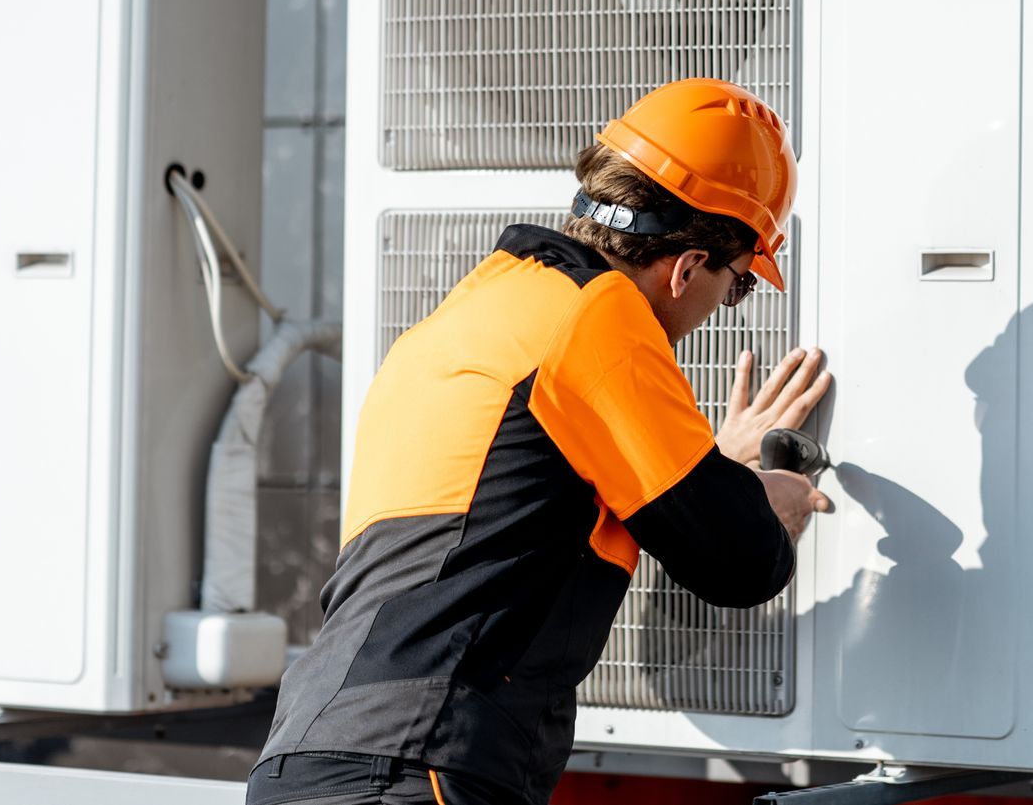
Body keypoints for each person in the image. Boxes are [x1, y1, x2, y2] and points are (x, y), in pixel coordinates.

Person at [248, 78, 834, 805]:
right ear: (687, 267)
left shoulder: (469, 315)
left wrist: (718, 471)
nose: (724, 306)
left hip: (304, 758)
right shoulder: (600, 313)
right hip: (417, 765)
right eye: (738, 284)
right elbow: (740, 560)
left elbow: (515, 510)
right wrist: (763, 493)